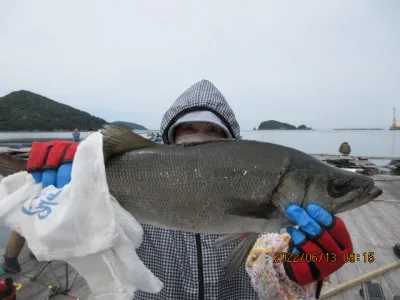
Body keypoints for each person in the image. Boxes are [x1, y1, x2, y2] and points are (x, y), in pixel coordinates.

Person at [17, 80, 353, 299]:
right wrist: (59, 197)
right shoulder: (126, 188)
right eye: (187, 128)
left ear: (232, 142)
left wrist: (298, 267)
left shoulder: (277, 208)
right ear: (169, 136)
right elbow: (77, 240)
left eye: (212, 130)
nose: (198, 136)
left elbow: (264, 264)